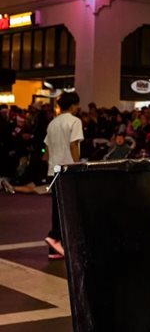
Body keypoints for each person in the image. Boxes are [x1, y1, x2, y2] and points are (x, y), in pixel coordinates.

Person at [43, 92, 83, 260]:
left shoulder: (53, 123)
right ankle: (55, 236)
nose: (79, 107)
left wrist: (50, 163)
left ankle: (55, 248)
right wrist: (77, 164)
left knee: (57, 207)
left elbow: (47, 147)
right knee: (68, 208)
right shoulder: (75, 121)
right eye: (77, 104)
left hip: (54, 169)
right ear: (73, 105)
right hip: (68, 169)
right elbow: (74, 144)